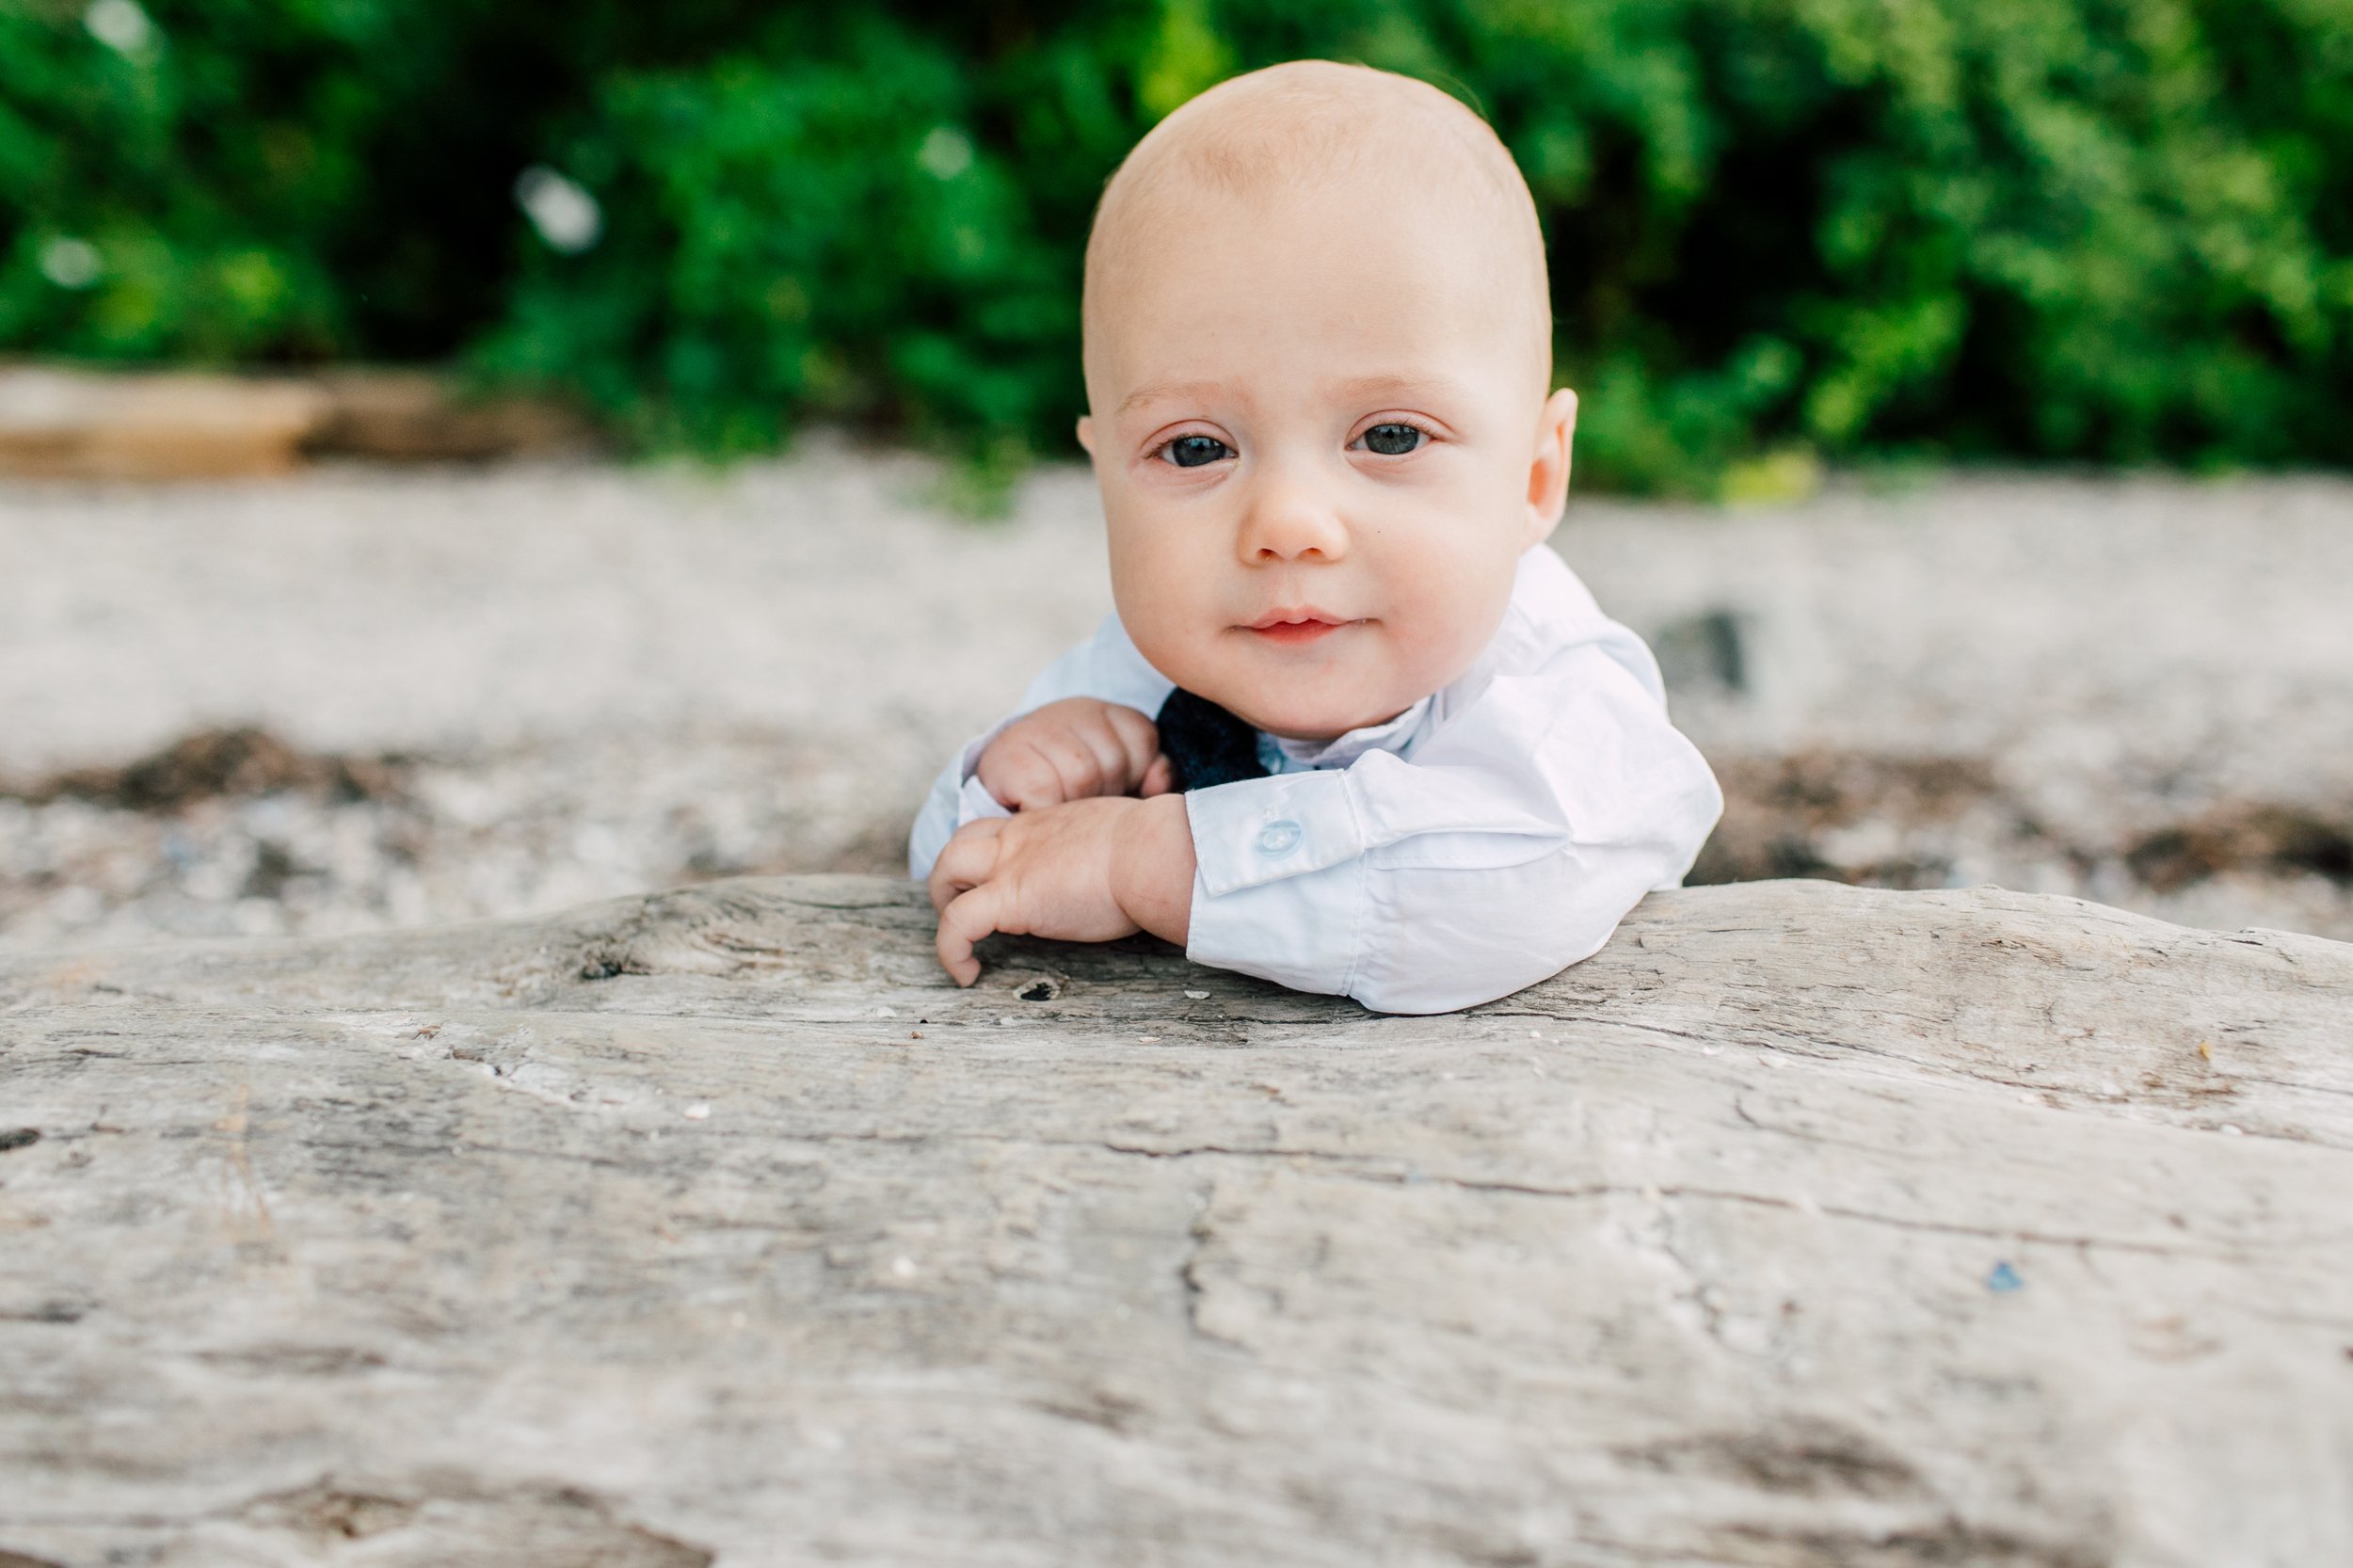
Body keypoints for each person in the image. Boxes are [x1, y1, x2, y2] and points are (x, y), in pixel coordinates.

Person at [908, 60, 1721, 1015]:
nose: (1287, 524)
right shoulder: (1141, 663)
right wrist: (1012, 785)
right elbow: (962, 867)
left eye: (1388, 437)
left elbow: (1516, 881)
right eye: (1198, 448)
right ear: (1104, 482)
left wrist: (1150, 862)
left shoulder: (1551, 689)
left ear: (1534, 480)